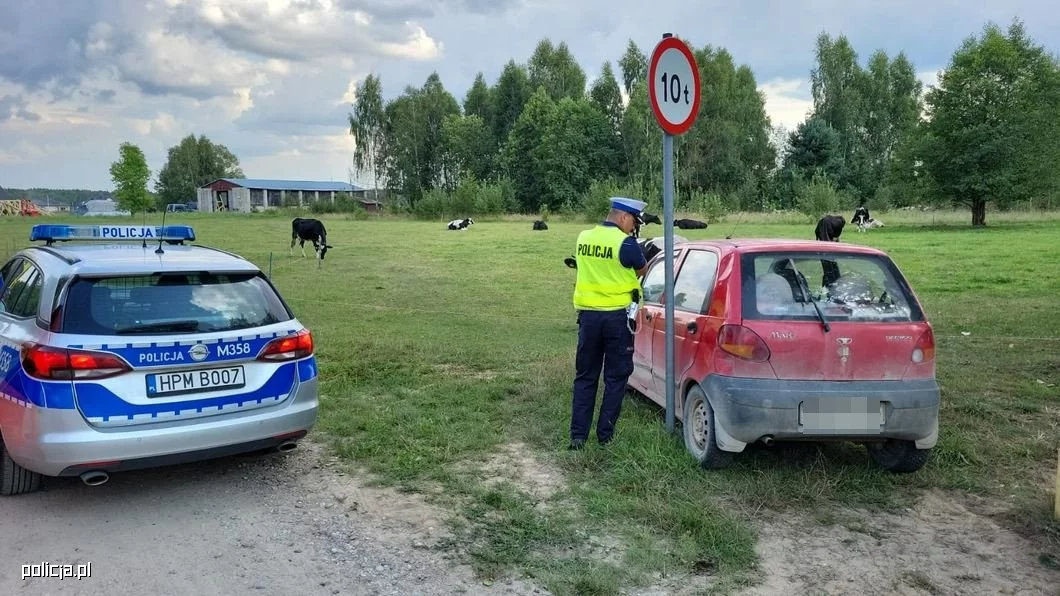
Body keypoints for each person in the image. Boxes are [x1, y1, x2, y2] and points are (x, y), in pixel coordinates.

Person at [568, 197, 649, 450]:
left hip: (589, 317)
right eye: (634, 221)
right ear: (624, 217)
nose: (634, 227)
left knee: (585, 376)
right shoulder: (626, 243)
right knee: (616, 378)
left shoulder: (584, 237)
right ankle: (605, 436)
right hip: (617, 319)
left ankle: (578, 438)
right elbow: (640, 269)